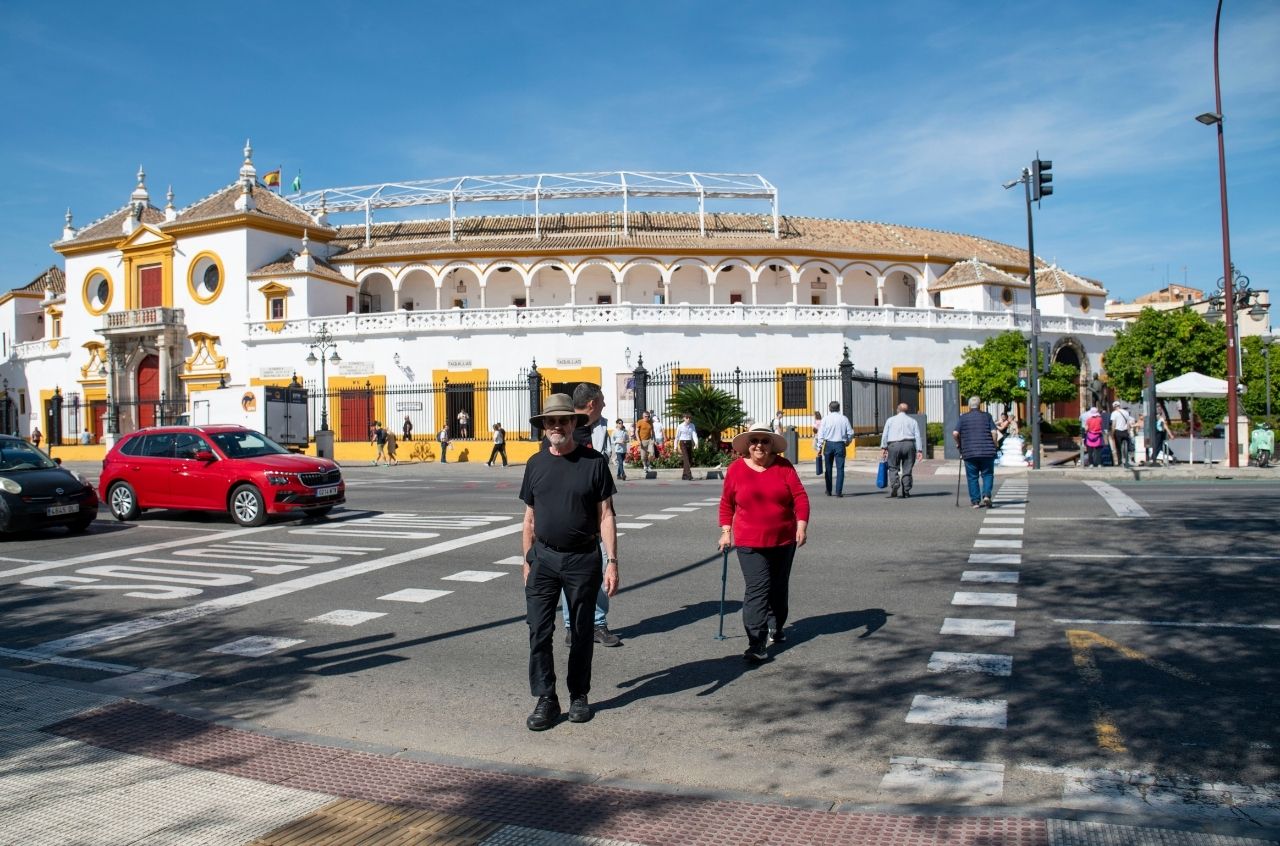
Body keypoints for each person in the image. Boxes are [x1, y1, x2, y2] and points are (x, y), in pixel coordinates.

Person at [520, 393, 619, 730]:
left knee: (580, 631)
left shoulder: (594, 463)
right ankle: (546, 698)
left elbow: (606, 515)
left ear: (575, 424)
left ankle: (579, 694)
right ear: (545, 427)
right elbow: (529, 518)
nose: (557, 426)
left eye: (564, 420)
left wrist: (612, 562)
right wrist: (525, 561)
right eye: (551, 421)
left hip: (582, 558)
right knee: (538, 630)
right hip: (543, 559)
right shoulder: (535, 464)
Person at [718, 425, 809, 663]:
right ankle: (756, 642)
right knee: (757, 589)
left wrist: (801, 525)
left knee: (778, 589)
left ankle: (776, 626)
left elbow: (800, 496)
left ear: (771, 446)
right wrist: (726, 531)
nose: (759, 445)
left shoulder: (783, 467)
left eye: (765, 441)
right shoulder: (736, 469)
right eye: (754, 441)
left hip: (783, 539)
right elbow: (727, 503)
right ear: (747, 445)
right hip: (749, 541)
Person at [552, 383, 619, 647]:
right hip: (573, 516)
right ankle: (572, 626)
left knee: (602, 567)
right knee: (571, 575)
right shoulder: (566, 430)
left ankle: (598, 623)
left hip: (598, 513)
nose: (604, 404)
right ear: (591, 403)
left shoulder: (599, 427)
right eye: (601, 400)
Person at [953, 396, 999, 508]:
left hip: (969, 452)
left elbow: (955, 433)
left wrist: (959, 443)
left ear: (969, 406)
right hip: (987, 451)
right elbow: (994, 432)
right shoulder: (987, 416)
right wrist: (995, 444)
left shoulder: (963, 418)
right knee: (987, 474)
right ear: (980, 405)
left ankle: (975, 502)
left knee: (972, 477)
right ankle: (987, 495)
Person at [879, 402, 923, 499]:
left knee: (893, 467)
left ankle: (895, 484)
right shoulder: (913, 421)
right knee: (907, 469)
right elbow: (917, 436)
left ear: (897, 410)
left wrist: (883, 447)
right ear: (907, 411)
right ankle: (906, 490)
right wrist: (919, 450)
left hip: (894, 445)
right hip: (909, 445)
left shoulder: (890, 420)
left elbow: (885, 435)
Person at [814, 400, 853, 497]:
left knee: (828, 468)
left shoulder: (825, 419)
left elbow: (821, 434)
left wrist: (819, 447)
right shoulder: (844, 419)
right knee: (840, 468)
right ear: (839, 408)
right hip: (840, 444)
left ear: (829, 408)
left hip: (829, 444)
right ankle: (838, 491)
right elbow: (851, 433)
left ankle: (828, 490)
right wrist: (848, 441)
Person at [1110, 401, 1135, 468]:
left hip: (1118, 431)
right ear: (1119, 405)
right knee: (1127, 447)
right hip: (1125, 431)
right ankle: (1127, 460)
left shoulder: (1114, 413)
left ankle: (1120, 462)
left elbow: (1113, 424)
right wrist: (1128, 431)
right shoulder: (1126, 412)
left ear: (1114, 407)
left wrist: (1112, 433)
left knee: (1118, 447)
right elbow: (1128, 423)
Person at [676, 413, 698, 480]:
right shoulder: (680, 426)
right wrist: (675, 447)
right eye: (687, 418)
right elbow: (677, 437)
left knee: (690, 459)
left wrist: (696, 443)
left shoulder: (692, 425)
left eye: (690, 418)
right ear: (684, 418)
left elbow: (694, 434)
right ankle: (689, 475)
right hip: (683, 443)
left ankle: (684, 475)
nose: (688, 419)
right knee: (686, 459)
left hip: (689, 442)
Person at [812, 411, 824, 476]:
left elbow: (815, 429)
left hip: (818, 435)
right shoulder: (821, 421)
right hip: (818, 435)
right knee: (818, 446)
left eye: (814, 415)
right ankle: (819, 455)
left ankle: (819, 455)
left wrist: (814, 429)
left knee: (816, 446)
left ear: (816, 415)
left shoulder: (817, 421)